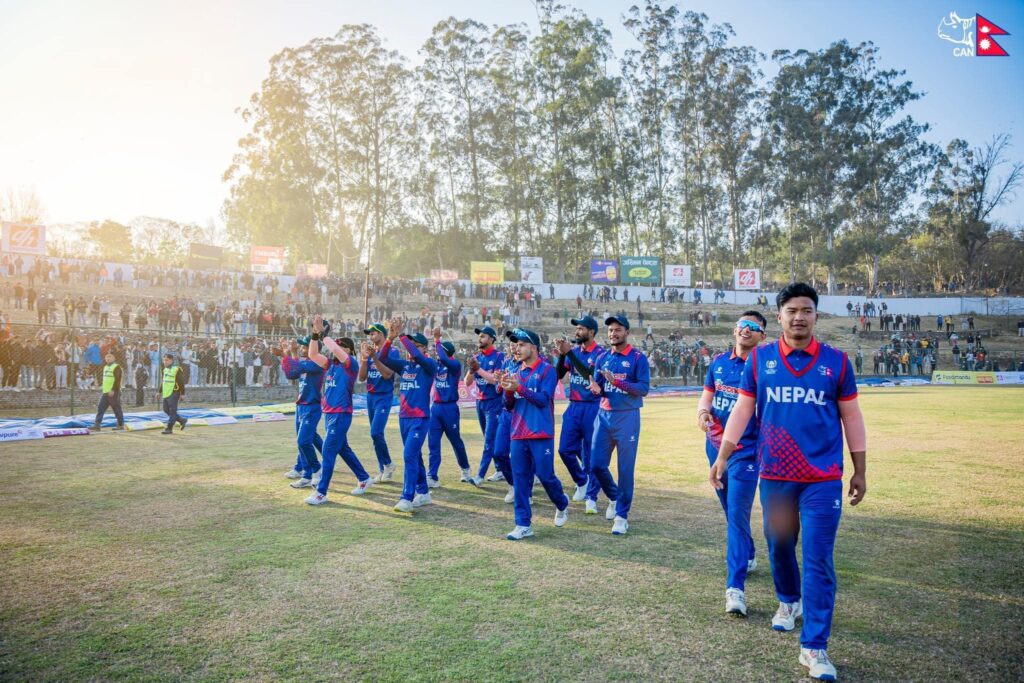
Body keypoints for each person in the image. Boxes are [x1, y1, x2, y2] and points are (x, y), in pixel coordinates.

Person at [711, 282, 867, 682]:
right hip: (777, 476)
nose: (799, 317)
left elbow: (851, 416)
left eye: (807, 310)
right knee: (779, 546)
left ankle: (815, 648)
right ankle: (788, 601)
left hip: (823, 479)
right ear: (779, 316)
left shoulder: (836, 361)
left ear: (816, 315)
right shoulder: (760, 359)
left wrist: (859, 468)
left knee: (818, 559)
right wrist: (724, 456)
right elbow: (744, 410)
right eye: (792, 311)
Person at [696, 311, 767, 617]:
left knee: (737, 516)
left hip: (747, 453)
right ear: (734, 330)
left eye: (754, 327)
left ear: (762, 336)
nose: (746, 330)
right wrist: (702, 413)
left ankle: (734, 588)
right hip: (715, 447)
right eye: (742, 325)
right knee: (729, 511)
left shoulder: (765, 368)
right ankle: (748, 553)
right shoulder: (720, 363)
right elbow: (706, 397)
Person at [497, 327, 569, 540]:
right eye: (515, 345)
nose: (516, 349)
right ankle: (522, 524)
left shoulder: (547, 370)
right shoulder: (515, 371)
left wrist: (518, 388)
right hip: (518, 434)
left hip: (540, 432)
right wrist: (508, 391)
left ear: (533, 347)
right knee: (520, 480)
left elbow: (542, 399)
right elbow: (508, 406)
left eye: (521, 344)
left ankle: (562, 503)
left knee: (546, 477)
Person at [588, 315, 650, 535]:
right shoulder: (603, 357)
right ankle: (614, 497)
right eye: (610, 330)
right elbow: (599, 386)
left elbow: (643, 388)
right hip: (603, 415)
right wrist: (597, 388)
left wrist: (618, 382)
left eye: (618, 330)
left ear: (627, 332)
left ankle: (622, 516)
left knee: (625, 470)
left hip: (627, 418)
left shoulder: (637, 358)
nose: (613, 333)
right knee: (595, 465)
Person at [304, 315, 374, 505]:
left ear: (349, 350)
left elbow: (334, 348)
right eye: (337, 346)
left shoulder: (351, 364)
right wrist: (314, 335)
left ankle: (321, 493)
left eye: (342, 346)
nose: (337, 349)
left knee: (328, 451)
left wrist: (323, 334)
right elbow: (312, 355)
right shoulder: (331, 365)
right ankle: (364, 478)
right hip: (330, 414)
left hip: (341, 414)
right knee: (343, 449)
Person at [377, 319, 437, 512]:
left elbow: (417, 355)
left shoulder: (429, 365)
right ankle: (424, 493)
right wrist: (390, 338)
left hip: (420, 418)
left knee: (409, 454)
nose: (410, 350)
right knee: (414, 456)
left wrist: (402, 337)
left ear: (423, 349)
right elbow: (383, 358)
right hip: (404, 417)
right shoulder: (404, 366)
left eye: (415, 346)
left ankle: (407, 497)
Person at [553, 315, 605, 510]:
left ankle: (592, 497)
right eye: (577, 329)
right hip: (574, 406)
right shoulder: (573, 352)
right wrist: (562, 355)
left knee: (591, 453)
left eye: (581, 328)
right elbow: (559, 375)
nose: (577, 332)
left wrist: (570, 354)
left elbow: (590, 376)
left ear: (591, 332)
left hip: (593, 406)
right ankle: (582, 481)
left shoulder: (600, 354)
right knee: (564, 449)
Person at [426, 327, 481, 487]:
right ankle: (432, 476)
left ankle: (465, 469)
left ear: (447, 352)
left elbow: (442, 357)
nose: (437, 353)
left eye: (440, 351)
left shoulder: (454, 365)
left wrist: (437, 339)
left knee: (455, 440)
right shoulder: (436, 365)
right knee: (433, 444)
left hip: (450, 409)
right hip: (436, 408)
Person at [279, 338, 326, 489]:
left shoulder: (316, 363)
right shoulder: (305, 362)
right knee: (305, 440)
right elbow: (291, 373)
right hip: (301, 406)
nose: (302, 349)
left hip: (312, 406)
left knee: (303, 441)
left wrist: (288, 354)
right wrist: (290, 354)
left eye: (305, 346)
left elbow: (293, 370)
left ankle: (316, 469)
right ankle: (306, 474)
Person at [358, 322, 400, 481]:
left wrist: (375, 358)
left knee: (375, 432)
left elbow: (388, 374)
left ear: (382, 334)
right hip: (371, 396)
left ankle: (388, 464)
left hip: (384, 396)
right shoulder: (370, 353)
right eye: (369, 334)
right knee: (376, 435)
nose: (371, 336)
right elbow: (361, 378)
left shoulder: (392, 352)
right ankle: (383, 469)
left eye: (373, 333)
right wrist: (364, 358)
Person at [464, 326, 506, 481]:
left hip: (494, 402)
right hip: (480, 402)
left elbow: (496, 379)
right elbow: (467, 382)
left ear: (491, 339)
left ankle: (479, 475)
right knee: (488, 438)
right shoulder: (477, 357)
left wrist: (478, 369)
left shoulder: (499, 356)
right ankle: (500, 469)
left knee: (489, 440)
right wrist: (471, 369)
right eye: (479, 336)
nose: (479, 339)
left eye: (483, 336)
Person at [90, 351, 125, 431]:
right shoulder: (105, 367)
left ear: (114, 358)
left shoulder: (117, 367)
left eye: (110, 356)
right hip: (105, 392)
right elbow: (106, 379)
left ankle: (120, 425)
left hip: (114, 392)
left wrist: (113, 390)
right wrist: (98, 385)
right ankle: (97, 425)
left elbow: (117, 380)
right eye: (107, 357)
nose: (108, 358)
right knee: (100, 408)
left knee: (116, 409)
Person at [160, 354, 188, 434]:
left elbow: (181, 382)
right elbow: (163, 381)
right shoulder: (164, 369)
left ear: (171, 360)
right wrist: (159, 392)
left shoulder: (177, 369)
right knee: (166, 409)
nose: (165, 362)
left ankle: (169, 428)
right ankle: (181, 420)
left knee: (172, 410)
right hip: (166, 392)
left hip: (175, 392)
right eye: (164, 360)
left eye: (167, 360)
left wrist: (182, 393)